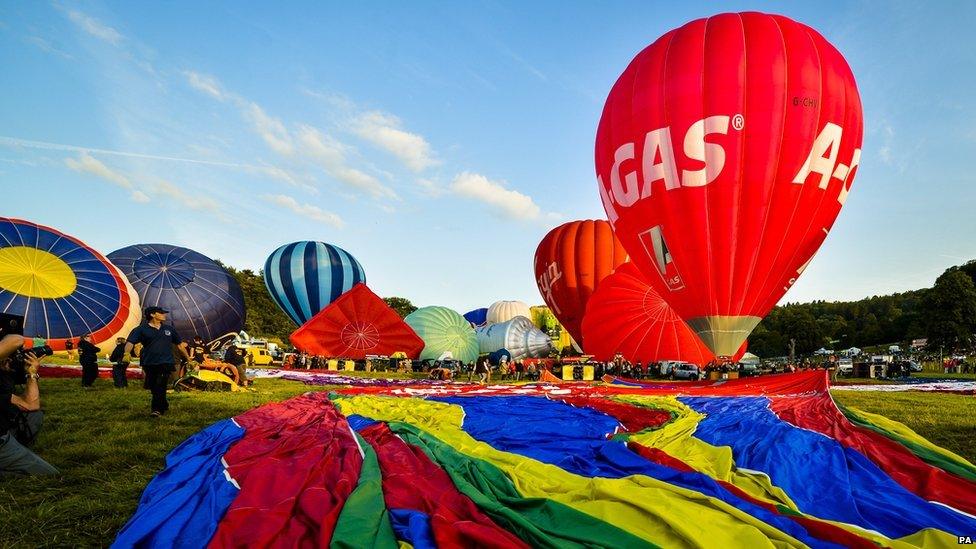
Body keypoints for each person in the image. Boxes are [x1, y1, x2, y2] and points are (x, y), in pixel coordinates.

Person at [0, 334, 58, 476]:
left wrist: (31, 374)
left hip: (5, 430)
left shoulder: (4, 377)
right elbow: (16, 339)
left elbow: (31, 405)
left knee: (34, 415)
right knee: (50, 475)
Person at [124, 307, 189, 417]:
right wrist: (126, 353)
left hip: (166, 362)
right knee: (154, 386)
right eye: (161, 313)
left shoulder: (169, 329)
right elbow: (130, 342)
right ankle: (163, 403)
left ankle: (156, 410)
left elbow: (180, 345)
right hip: (149, 362)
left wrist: (188, 358)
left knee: (160, 384)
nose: (164, 315)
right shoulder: (141, 329)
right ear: (153, 315)